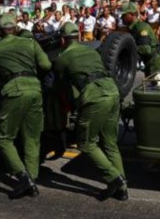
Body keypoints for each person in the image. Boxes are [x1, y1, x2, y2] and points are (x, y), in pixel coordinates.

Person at [0, 13, 51, 199]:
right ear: (16, 28)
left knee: (3, 138)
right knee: (32, 138)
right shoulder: (31, 43)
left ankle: (22, 176)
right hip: (35, 89)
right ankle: (32, 179)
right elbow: (46, 65)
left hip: (15, 89)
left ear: (0, 31)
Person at [53, 22, 127, 200]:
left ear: (63, 40)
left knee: (86, 143)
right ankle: (122, 188)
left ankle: (114, 178)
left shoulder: (63, 56)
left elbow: (58, 82)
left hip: (95, 96)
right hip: (112, 90)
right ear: (78, 37)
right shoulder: (91, 51)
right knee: (110, 143)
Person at [120, 0, 160, 76]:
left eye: (124, 15)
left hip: (156, 64)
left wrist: (127, 48)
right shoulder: (133, 28)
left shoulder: (141, 28)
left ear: (132, 14)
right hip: (149, 63)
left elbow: (146, 49)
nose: (121, 17)